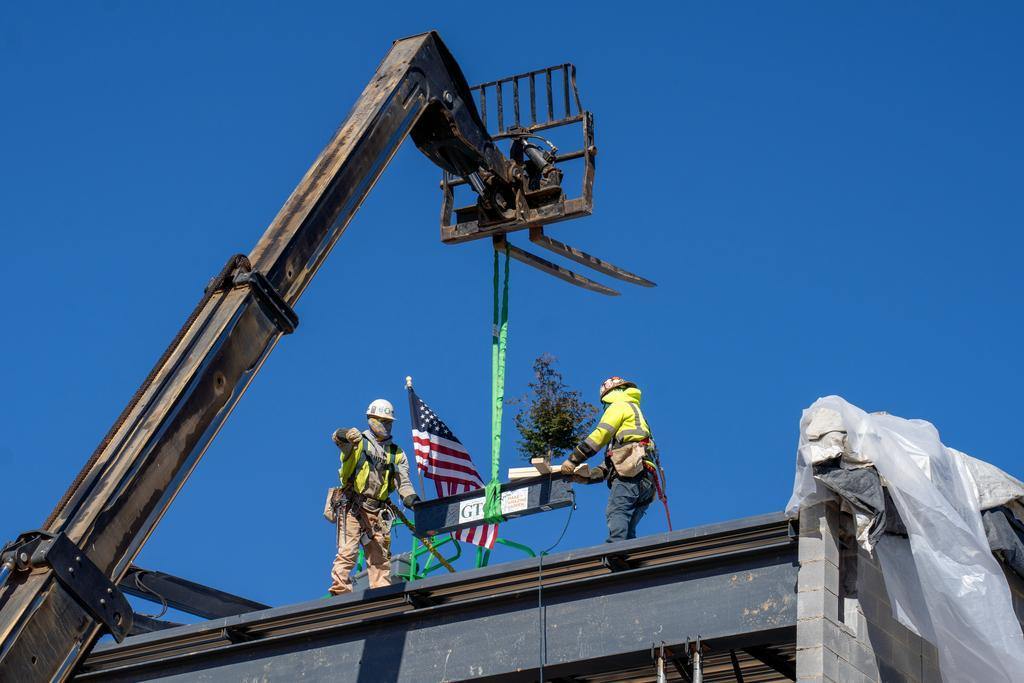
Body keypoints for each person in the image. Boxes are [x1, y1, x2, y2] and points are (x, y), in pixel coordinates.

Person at [326, 398, 420, 595]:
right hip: (353, 505)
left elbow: (403, 482)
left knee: (379, 556)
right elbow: (337, 438)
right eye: (382, 421)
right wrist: (346, 434)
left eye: (388, 422)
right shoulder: (358, 441)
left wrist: (413, 501)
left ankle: (381, 593)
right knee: (348, 551)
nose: (386, 425)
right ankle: (340, 592)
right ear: (371, 419)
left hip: (377, 511)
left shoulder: (396, 454)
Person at [561, 377, 657, 542]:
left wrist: (573, 460)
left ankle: (615, 551)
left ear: (608, 395)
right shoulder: (636, 418)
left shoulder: (619, 405)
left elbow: (600, 435)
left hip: (631, 473)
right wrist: (587, 477)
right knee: (628, 528)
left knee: (617, 512)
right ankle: (626, 559)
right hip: (647, 479)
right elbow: (613, 461)